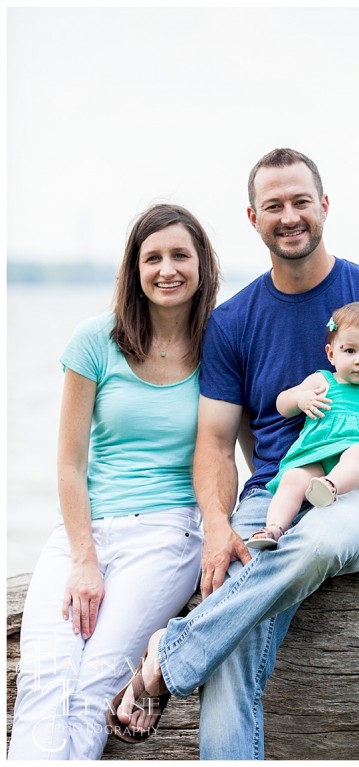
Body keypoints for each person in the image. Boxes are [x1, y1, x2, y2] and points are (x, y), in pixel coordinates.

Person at [109, 148, 359, 758]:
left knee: (315, 542)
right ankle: (190, 661)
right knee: (233, 650)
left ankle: (169, 657)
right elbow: (213, 443)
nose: (289, 216)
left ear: (324, 206)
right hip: (272, 492)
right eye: (273, 206)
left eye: (299, 201)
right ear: (253, 217)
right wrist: (216, 527)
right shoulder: (234, 321)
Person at [8, 204, 221, 759]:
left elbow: (232, 453)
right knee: (43, 680)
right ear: (135, 268)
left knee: (93, 690)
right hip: (84, 534)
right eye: (153, 257)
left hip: (167, 536)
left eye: (180, 255)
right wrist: (84, 559)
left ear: (202, 266)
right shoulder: (95, 339)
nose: (167, 269)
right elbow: (69, 464)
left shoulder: (220, 347)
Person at [247, 301, 359, 550]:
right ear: (331, 354)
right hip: (319, 455)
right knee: (293, 477)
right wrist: (300, 399)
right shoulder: (322, 381)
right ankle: (274, 528)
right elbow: (281, 404)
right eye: (350, 351)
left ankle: (331, 486)